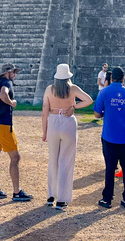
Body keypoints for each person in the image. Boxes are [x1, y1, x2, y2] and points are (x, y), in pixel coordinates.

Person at [42, 63, 94, 210]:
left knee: (53, 160)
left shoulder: (49, 89)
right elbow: (89, 100)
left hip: (53, 121)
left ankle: (51, 195)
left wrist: (44, 131)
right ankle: (62, 199)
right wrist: (74, 107)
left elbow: (45, 111)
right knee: (66, 161)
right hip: (67, 121)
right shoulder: (73, 89)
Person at [93, 66, 125, 209]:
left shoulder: (104, 92)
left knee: (110, 168)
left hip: (109, 136)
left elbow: (97, 114)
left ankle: (107, 198)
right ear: (124, 78)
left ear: (111, 78)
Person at [0, 63, 33, 202]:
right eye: (14, 72)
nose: (15, 75)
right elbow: (3, 94)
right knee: (15, 157)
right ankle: (16, 192)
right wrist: (11, 102)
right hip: (3, 124)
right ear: (8, 73)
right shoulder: (6, 82)